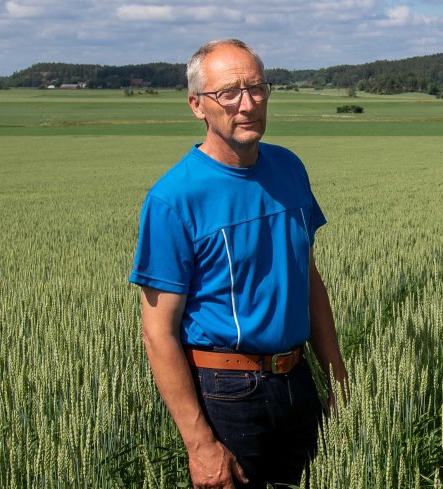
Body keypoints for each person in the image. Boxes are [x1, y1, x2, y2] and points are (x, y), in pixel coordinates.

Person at [129, 38, 347, 489]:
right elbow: (158, 331)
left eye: (257, 88)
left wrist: (338, 379)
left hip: (298, 380)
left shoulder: (289, 168)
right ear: (197, 106)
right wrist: (200, 445)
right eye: (229, 92)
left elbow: (308, 281)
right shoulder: (174, 199)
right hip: (226, 392)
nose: (247, 104)